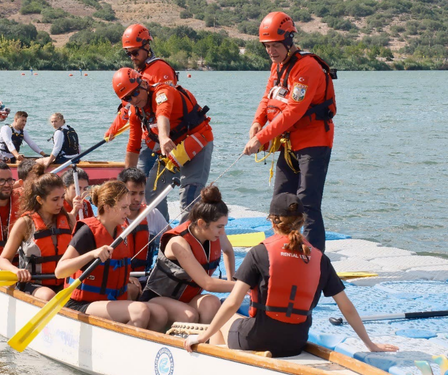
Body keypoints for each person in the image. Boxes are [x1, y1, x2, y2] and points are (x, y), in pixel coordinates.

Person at [183, 193, 399, 357]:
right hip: (295, 341)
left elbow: (232, 303)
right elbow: (347, 307)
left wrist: (202, 336)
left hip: (259, 337)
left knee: (223, 320)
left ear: (272, 221)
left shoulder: (260, 252)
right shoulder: (319, 258)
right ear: (302, 221)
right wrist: (370, 345)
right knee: (238, 320)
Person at [242, 12, 336, 252]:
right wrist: (256, 123)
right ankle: (282, 250)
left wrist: (261, 138)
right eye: (267, 46)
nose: (271, 51)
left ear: (288, 40)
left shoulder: (307, 68)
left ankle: (314, 260)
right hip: (289, 142)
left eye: (275, 46)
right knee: (280, 201)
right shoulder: (278, 65)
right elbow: (268, 97)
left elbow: (293, 111)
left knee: (308, 202)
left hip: (314, 141)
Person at [55, 180, 168, 331]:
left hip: (110, 301)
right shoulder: (87, 232)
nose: (128, 212)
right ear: (107, 207)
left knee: (160, 314)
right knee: (140, 311)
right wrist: (91, 254)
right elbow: (60, 271)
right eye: (124, 208)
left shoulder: (121, 232)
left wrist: (126, 276)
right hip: (82, 304)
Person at [112, 67, 213, 222]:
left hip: (197, 142)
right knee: (150, 191)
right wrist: (125, 181)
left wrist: (164, 137)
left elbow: (162, 114)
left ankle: (187, 238)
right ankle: (162, 232)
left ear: (143, 84)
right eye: (129, 98)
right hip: (173, 150)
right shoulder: (135, 111)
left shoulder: (162, 93)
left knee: (189, 197)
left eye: (136, 93)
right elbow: (133, 145)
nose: (134, 99)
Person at [141, 185, 235, 325]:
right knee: (189, 316)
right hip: (157, 298)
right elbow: (207, 283)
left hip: (187, 299)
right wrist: (241, 286)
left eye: (224, 226)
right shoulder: (179, 243)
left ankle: (203, 342)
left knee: (212, 303)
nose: (222, 232)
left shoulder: (216, 232)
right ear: (202, 223)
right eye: (219, 226)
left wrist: (231, 279)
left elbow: (228, 251)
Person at [105, 24, 178, 176]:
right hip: (148, 134)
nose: (132, 57)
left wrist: (163, 137)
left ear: (147, 46)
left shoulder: (161, 70)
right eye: (129, 54)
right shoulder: (138, 72)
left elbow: (165, 105)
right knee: (137, 178)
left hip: (164, 136)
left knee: (148, 181)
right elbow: (128, 107)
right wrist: (114, 129)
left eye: (135, 52)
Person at [0, 164, 74, 300]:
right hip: (33, 284)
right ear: (39, 199)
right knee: (49, 295)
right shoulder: (25, 223)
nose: (61, 203)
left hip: (63, 281)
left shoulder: (68, 219)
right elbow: (3, 260)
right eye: (55, 199)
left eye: (62, 197)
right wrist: (16, 271)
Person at [117, 168, 168, 274]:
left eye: (141, 193)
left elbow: (172, 238)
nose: (137, 198)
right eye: (132, 193)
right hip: (120, 278)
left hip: (145, 276)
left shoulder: (153, 214)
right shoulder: (113, 217)